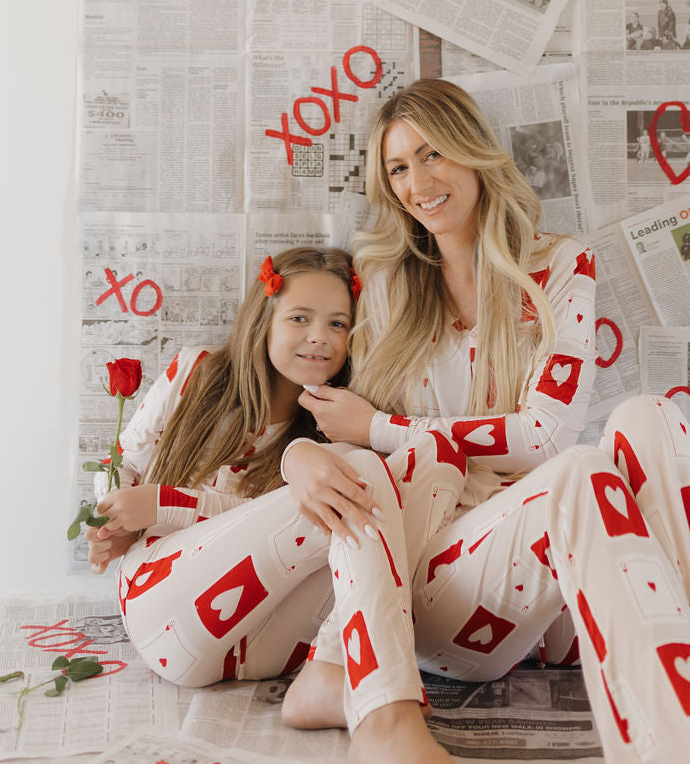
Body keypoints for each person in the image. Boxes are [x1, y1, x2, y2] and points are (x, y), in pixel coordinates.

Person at [281, 81, 690, 764]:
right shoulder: (382, 282)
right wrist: (297, 457)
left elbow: (543, 433)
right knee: (577, 475)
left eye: (433, 154)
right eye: (397, 168)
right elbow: (308, 403)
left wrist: (384, 427)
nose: (419, 182)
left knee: (649, 417)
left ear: (473, 153)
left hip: (547, 582)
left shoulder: (560, 264)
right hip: (440, 588)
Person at [84, 245, 467, 691]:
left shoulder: (338, 425)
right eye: (300, 318)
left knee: (431, 458)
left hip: (271, 647)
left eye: (337, 324)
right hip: (165, 611)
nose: (319, 336)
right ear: (264, 320)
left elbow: (274, 529)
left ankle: (339, 672)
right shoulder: (198, 371)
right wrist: (113, 518)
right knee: (351, 471)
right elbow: (123, 460)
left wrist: (162, 504)